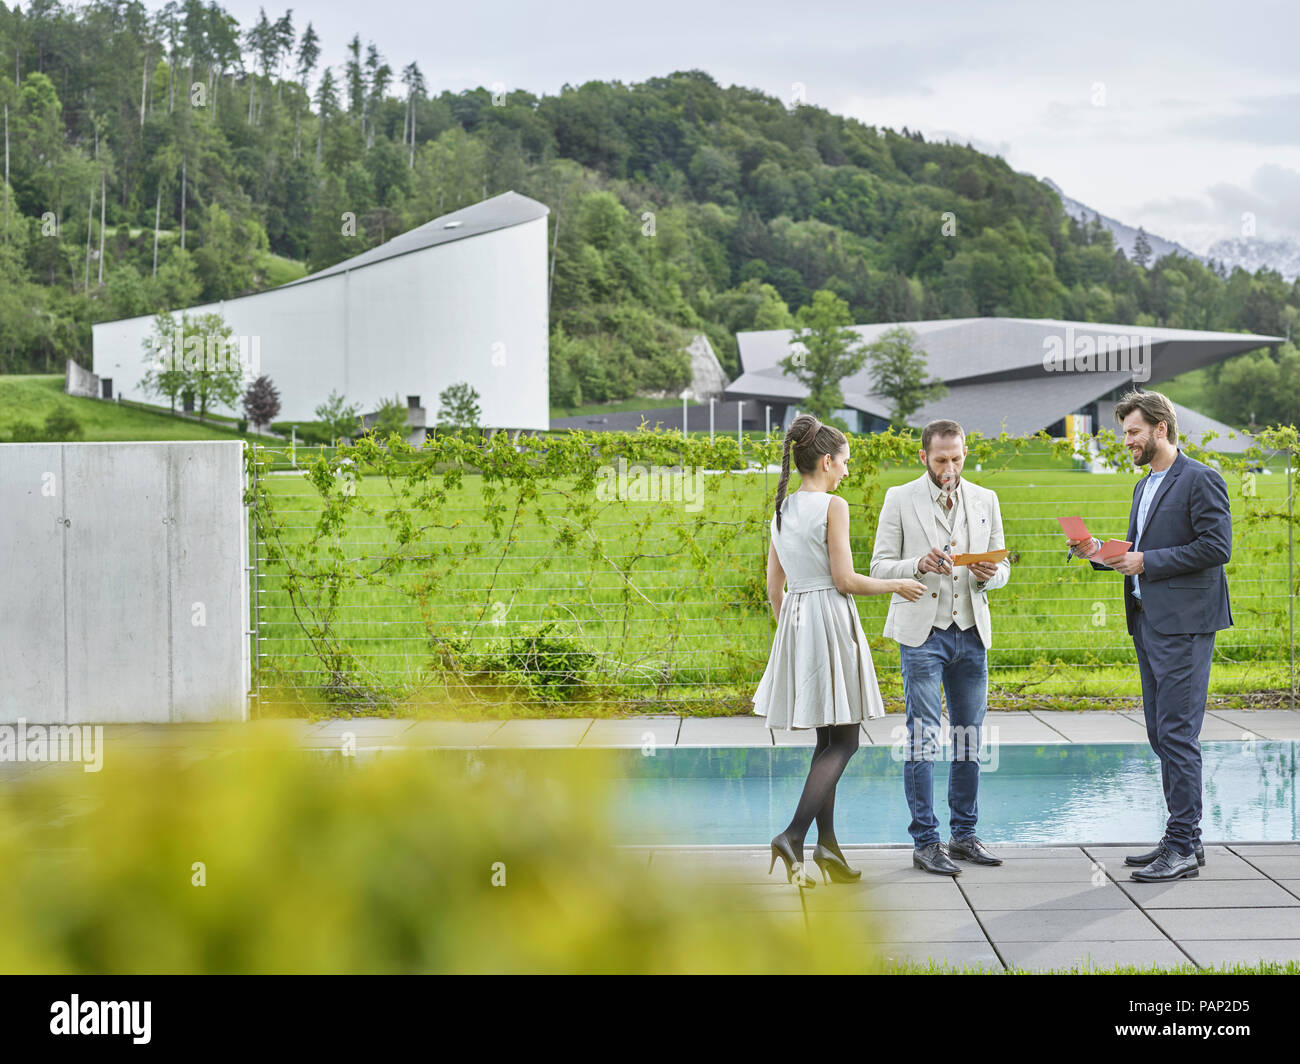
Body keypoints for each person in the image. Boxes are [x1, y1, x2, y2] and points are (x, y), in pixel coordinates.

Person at [1065, 390, 1232, 883]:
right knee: (1162, 733)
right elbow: (1138, 550)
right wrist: (1099, 551)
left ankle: (1181, 844)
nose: (1127, 441)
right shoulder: (1146, 485)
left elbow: (1217, 546)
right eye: (1124, 434)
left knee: (1177, 734)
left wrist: (1146, 562)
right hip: (1147, 619)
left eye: (1134, 432)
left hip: (1184, 626)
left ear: (1161, 428)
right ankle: (1186, 839)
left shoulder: (1201, 479)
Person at [753, 414, 926, 888]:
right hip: (830, 618)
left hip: (798, 620)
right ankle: (792, 835)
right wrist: (897, 584)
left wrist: (791, 627)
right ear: (827, 461)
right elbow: (845, 580)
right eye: (845, 462)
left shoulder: (783, 508)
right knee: (845, 741)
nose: (847, 471)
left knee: (826, 741)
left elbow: (774, 587)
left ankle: (826, 848)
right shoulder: (833, 505)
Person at [869, 419, 1011, 876]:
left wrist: (992, 575)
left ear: (966, 452)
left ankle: (964, 835)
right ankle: (926, 842)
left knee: (969, 739)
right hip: (922, 634)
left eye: (956, 457)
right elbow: (879, 564)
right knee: (924, 738)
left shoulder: (986, 499)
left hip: (971, 631)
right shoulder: (899, 498)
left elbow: (1001, 563)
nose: (949, 467)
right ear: (923, 457)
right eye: (940, 459)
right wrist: (918, 562)